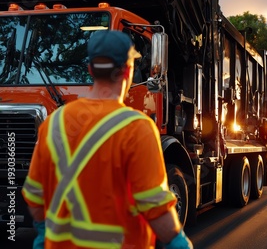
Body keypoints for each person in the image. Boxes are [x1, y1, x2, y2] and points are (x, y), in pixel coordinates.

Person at [22, 30, 192, 249]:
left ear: (90, 70)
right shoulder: (137, 128)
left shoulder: (54, 124)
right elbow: (154, 206)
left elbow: (35, 195)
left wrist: (43, 230)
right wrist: (176, 240)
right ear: (129, 70)